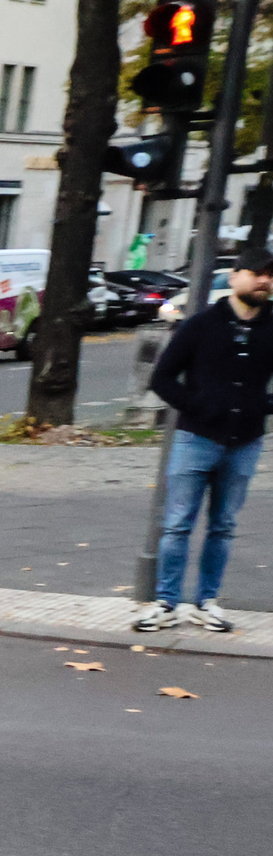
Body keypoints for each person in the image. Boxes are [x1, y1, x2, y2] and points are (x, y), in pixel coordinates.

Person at [140, 246, 273, 634]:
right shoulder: (200, 325)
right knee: (178, 524)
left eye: (270, 275)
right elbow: (161, 378)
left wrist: (261, 406)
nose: (264, 281)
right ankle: (166, 603)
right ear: (235, 277)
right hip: (195, 439)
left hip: (245, 442)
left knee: (223, 526)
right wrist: (198, 406)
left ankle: (206, 603)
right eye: (257, 273)